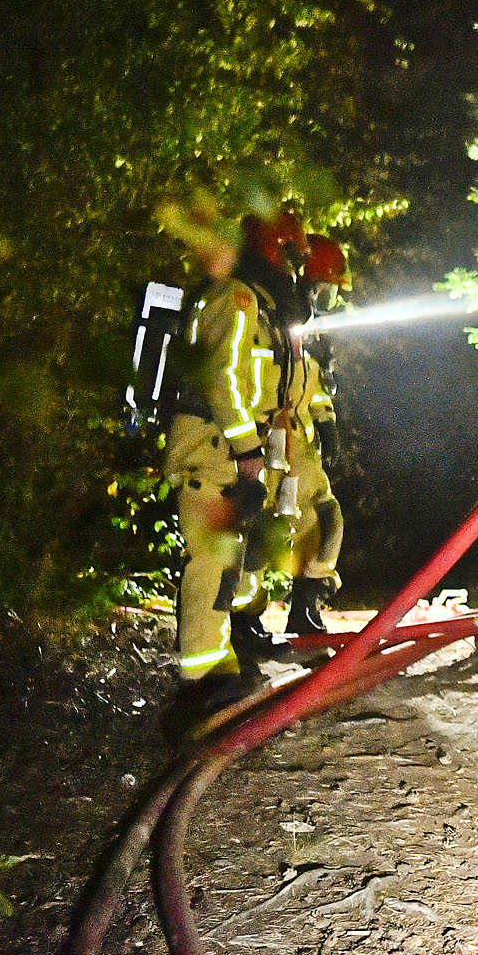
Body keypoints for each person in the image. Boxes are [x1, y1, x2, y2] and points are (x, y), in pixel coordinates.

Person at [161, 210, 310, 736]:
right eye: (292, 258)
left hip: (228, 446)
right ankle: (198, 685)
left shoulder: (259, 303)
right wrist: (247, 444)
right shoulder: (236, 298)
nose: (297, 271)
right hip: (211, 444)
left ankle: (225, 660)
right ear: (274, 253)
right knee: (209, 557)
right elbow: (222, 378)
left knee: (231, 556)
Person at [282, 234, 349, 636]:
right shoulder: (277, 326)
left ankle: (302, 608)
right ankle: (300, 608)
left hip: (294, 443)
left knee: (319, 520)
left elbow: (313, 391)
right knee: (321, 519)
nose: (330, 305)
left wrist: (327, 424)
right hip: (274, 442)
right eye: (326, 293)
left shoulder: (305, 336)